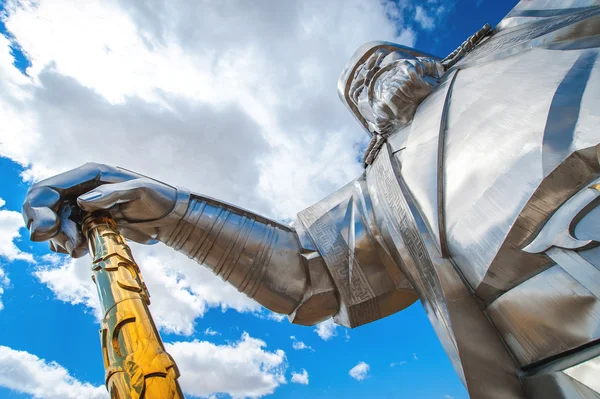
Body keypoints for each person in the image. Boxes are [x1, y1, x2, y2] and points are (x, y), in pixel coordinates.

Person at [21, 1, 600, 397]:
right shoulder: (386, 193)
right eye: (359, 88)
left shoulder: (532, 33)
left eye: (378, 58)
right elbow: (304, 271)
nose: (373, 77)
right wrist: (170, 209)